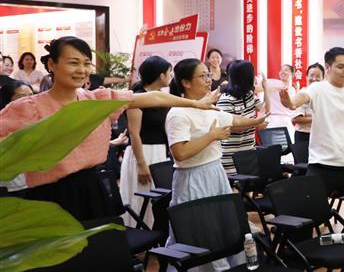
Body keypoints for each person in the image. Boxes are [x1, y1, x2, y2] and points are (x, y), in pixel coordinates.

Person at [0, 36, 220, 220]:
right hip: (50, 197)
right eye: (73, 63)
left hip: (94, 190)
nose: (82, 70)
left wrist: (196, 104)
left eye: (86, 63)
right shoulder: (29, 108)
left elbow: (155, 97)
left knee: (102, 254)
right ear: (51, 64)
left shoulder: (98, 100)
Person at [165, 58, 268, 272]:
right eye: (203, 76)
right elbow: (180, 153)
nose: (208, 80)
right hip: (192, 177)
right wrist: (211, 136)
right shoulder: (177, 113)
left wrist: (256, 121)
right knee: (197, 229)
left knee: (221, 224)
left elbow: (232, 120)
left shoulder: (208, 107)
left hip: (215, 172)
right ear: (186, 83)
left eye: (208, 75)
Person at [280, 48, 344, 197]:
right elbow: (301, 98)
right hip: (322, 164)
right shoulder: (318, 88)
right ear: (328, 67)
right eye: (340, 67)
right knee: (312, 207)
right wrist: (291, 102)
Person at [119, 56, 173, 229]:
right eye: (169, 72)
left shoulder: (160, 96)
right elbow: (134, 134)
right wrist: (141, 164)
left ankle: (156, 234)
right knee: (141, 197)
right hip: (143, 153)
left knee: (158, 199)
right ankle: (140, 234)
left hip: (159, 153)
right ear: (161, 75)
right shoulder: (137, 97)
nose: (171, 75)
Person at [216, 60, 268, 175]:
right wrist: (256, 123)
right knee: (236, 185)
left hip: (249, 152)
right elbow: (231, 127)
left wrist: (266, 88)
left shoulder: (249, 95)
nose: (254, 78)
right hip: (231, 157)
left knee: (251, 183)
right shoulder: (226, 99)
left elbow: (265, 109)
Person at [265, 64, 299, 160]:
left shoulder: (293, 89)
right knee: (274, 152)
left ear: (292, 74)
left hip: (287, 122)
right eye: (281, 70)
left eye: (286, 70)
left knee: (289, 152)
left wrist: (297, 89)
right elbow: (258, 87)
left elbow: (294, 107)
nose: (283, 72)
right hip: (273, 121)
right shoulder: (273, 83)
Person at [292, 62, 324, 142]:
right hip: (304, 135)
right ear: (306, 77)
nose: (314, 79)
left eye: (318, 76)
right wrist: (318, 118)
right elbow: (295, 119)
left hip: (320, 135)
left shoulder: (324, 95)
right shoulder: (301, 94)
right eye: (311, 75)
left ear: (323, 79)